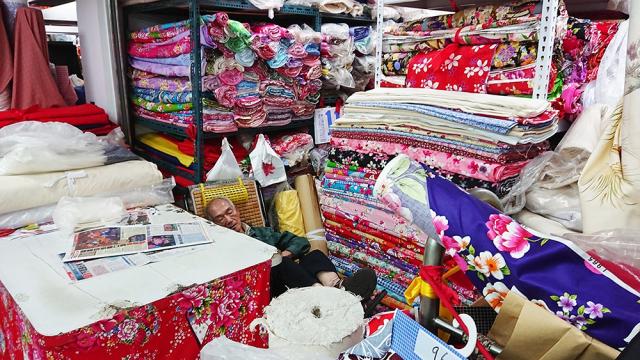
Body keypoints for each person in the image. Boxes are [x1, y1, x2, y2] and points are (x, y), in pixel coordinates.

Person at [206, 197, 377, 300]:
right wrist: (278, 261)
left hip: (290, 278)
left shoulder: (261, 233)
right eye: (220, 218)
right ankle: (325, 298)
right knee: (280, 263)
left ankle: (338, 287)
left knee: (313, 255)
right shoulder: (224, 247)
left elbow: (300, 241)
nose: (228, 220)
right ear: (214, 224)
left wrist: (287, 253)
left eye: (230, 212)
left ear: (237, 210)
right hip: (266, 287)